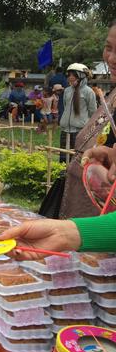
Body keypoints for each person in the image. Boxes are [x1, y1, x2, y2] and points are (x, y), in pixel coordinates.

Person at [58, 23, 116, 219]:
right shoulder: (69, 92)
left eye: (74, 76)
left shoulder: (90, 93)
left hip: (103, 224)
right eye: (108, 48)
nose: (111, 58)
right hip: (83, 209)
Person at [59, 63, 97, 162]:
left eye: (74, 75)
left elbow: (93, 112)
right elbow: (65, 107)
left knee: (76, 159)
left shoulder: (89, 92)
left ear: (82, 76)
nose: (70, 77)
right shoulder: (67, 91)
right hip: (65, 130)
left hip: (79, 131)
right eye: (69, 75)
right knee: (63, 158)